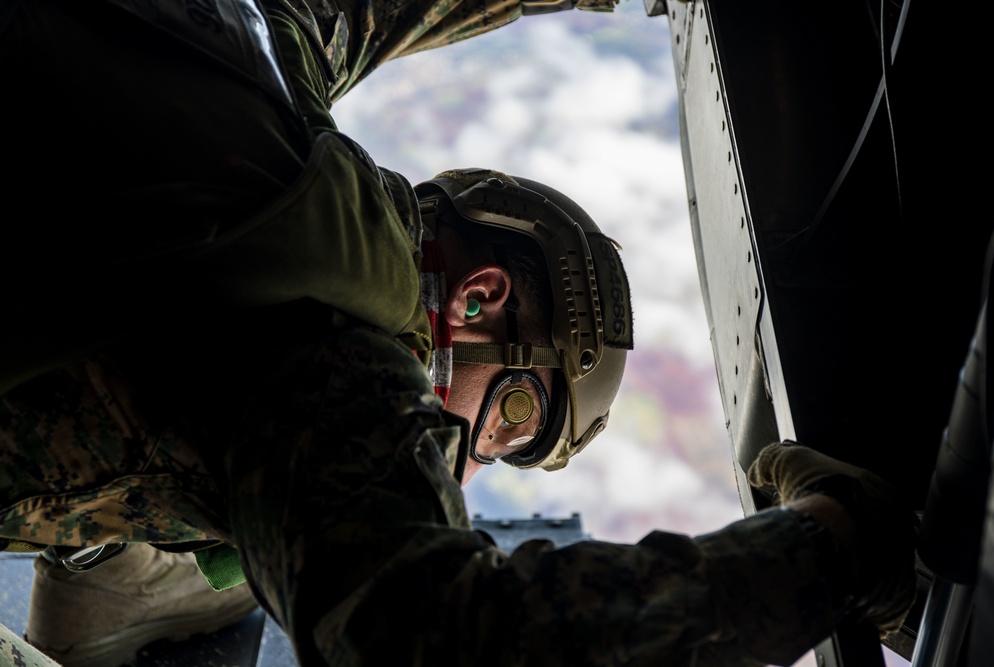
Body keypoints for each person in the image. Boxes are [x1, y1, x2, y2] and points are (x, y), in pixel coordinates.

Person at [0, 0, 916, 666]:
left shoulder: (269, 43)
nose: (468, 470)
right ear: (477, 299)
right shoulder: (323, 357)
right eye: (514, 418)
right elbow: (442, 637)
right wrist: (838, 549)